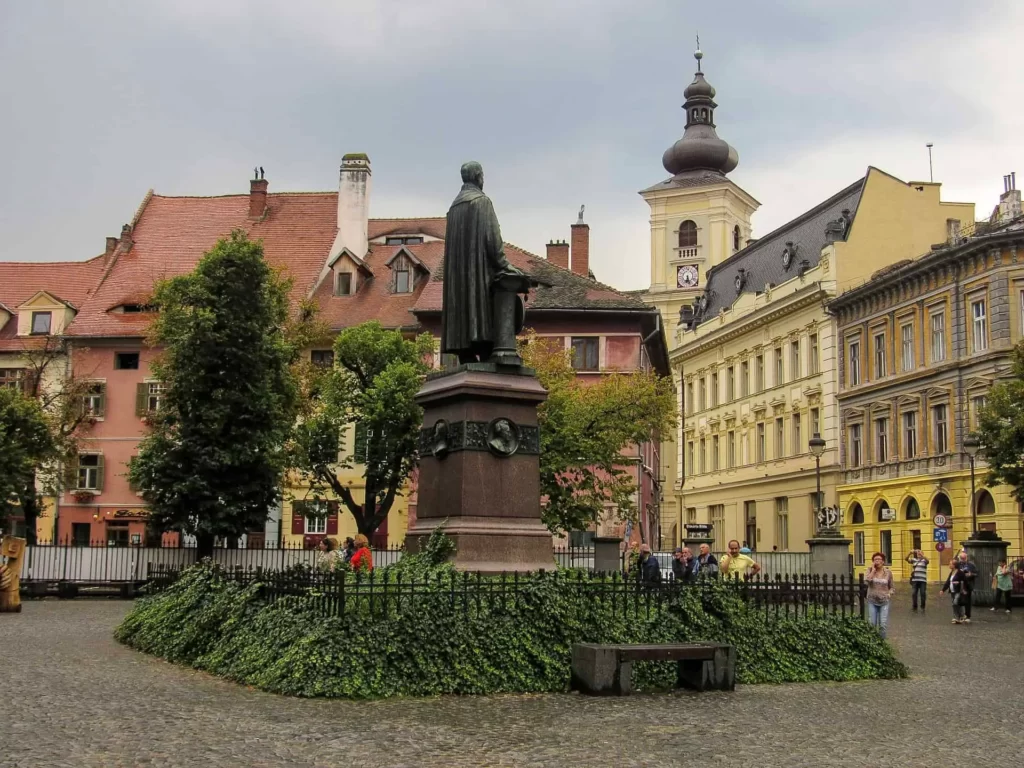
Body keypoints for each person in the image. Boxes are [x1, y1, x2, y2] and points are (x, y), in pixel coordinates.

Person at [865, 552, 895, 639]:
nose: (877, 561)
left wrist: (889, 594)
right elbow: (867, 580)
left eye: (879, 559)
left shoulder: (888, 573)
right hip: (872, 600)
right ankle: (872, 643)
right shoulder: (870, 570)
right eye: (875, 560)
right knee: (872, 624)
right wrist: (873, 571)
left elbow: (892, 587)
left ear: (883, 561)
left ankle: (882, 644)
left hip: (884, 601)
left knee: (883, 624)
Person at [940, 558, 965, 624]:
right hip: (952, 591)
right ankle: (959, 617)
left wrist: (958, 583)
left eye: (950, 564)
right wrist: (943, 590)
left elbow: (965, 581)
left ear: (954, 565)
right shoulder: (951, 572)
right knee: (956, 604)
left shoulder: (960, 572)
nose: (949, 565)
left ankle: (958, 616)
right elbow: (948, 582)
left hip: (958, 591)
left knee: (955, 603)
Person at [955, 551, 978, 623]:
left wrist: (971, 574)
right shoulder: (957, 565)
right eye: (961, 558)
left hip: (968, 585)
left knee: (967, 601)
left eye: (964, 558)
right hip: (959, 585)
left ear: (966, 558)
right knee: (958, 600)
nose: (962, 559)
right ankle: (960, 616)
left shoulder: (971, 565)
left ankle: (968, 616)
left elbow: (977, 573)